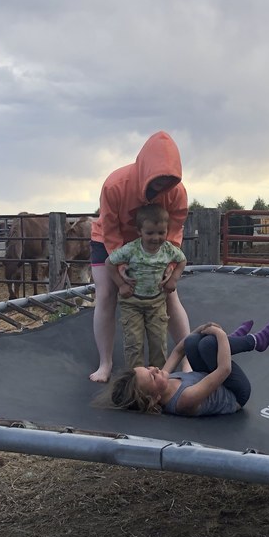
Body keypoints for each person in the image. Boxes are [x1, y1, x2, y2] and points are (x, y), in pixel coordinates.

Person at [89, 132, 190, 383]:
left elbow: (175, 229)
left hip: (153, 241)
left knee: (169, 294)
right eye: (158, 180)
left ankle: (186, 359)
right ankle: (106, 363)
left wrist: (168, 265)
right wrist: (121, 266)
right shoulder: (115, 185)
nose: (161, 186)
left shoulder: (176, 193)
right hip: (110, 241)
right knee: (106, 294)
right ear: (145, 169)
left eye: (168, 180)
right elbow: (110, 229)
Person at [104, 316, 269, 417]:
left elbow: (178, 351)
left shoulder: (164, 381)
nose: (155, 369)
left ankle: (232, 339)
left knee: (192, 342)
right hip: (235, 393)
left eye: (148, 368)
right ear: (154, 399)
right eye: (152, 375)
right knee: (209, 345)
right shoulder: (184, 400)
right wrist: (219, 334)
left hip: (210, 377)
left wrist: (201, 328)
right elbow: (224, 370)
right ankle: (256, 341)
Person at [106, 204, 187, 371]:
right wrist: (121, 285)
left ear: (167, 231)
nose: (155, 238)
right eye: (149, 233)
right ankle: (136, 378)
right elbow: (109, 263)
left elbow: (182, 260)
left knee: (158, 341)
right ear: (139, 231)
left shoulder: (168, 250)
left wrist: (174, 279)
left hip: (157, 303)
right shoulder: (132, 249)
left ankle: (158, 377)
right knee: (134, 343)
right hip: (132, 303)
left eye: (161, 233)